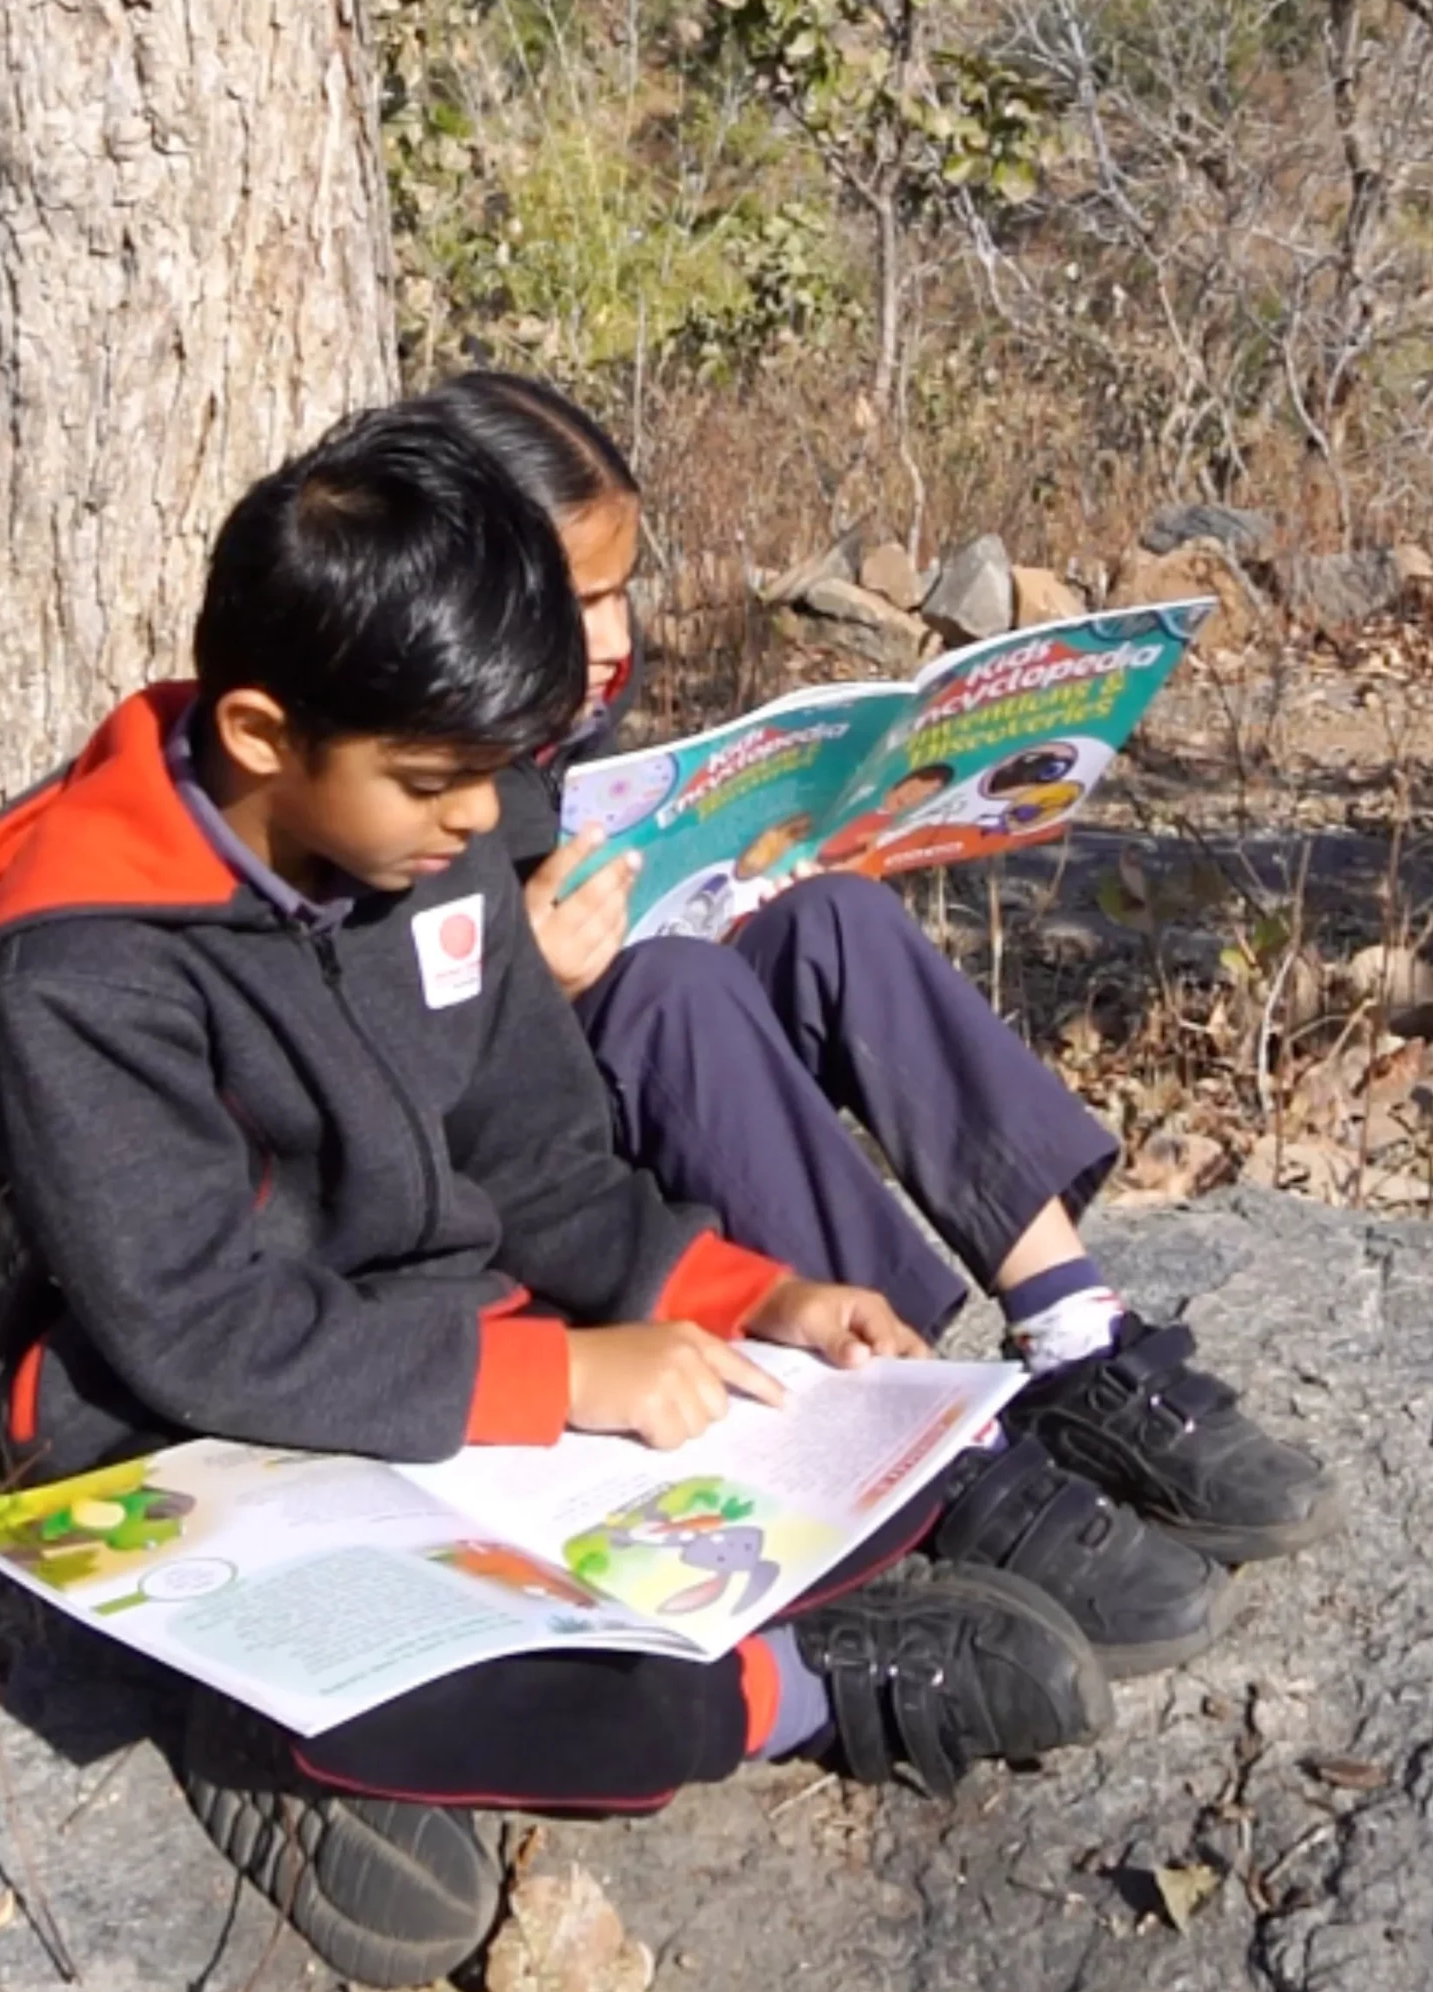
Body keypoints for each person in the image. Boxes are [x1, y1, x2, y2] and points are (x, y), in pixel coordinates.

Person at [0, 408, 1112, 1992]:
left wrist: (750, 1296)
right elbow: (200, 1329)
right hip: (195, 1440)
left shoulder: (428, 853)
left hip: (452, 1370)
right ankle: (778, 1696)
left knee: (790, 1487)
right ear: (260, 734)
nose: (483, 820)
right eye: (435, 780)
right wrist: (560, 1379)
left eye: (494, 772)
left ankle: (421, 1715)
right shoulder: (86, 975)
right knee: (548, 1709)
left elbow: (542, 1159)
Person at [418, 371, 1338, 1639]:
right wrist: (534, 976)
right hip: (546, 1188)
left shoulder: (548, 729)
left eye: (623, 590)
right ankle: (916, 1434)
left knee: (829, 919)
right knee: (675, 988)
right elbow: (409, 1066)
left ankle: (1070, 1331)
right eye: (578, 604)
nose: (615, 636)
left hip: (627, 1084)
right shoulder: (409, 774)